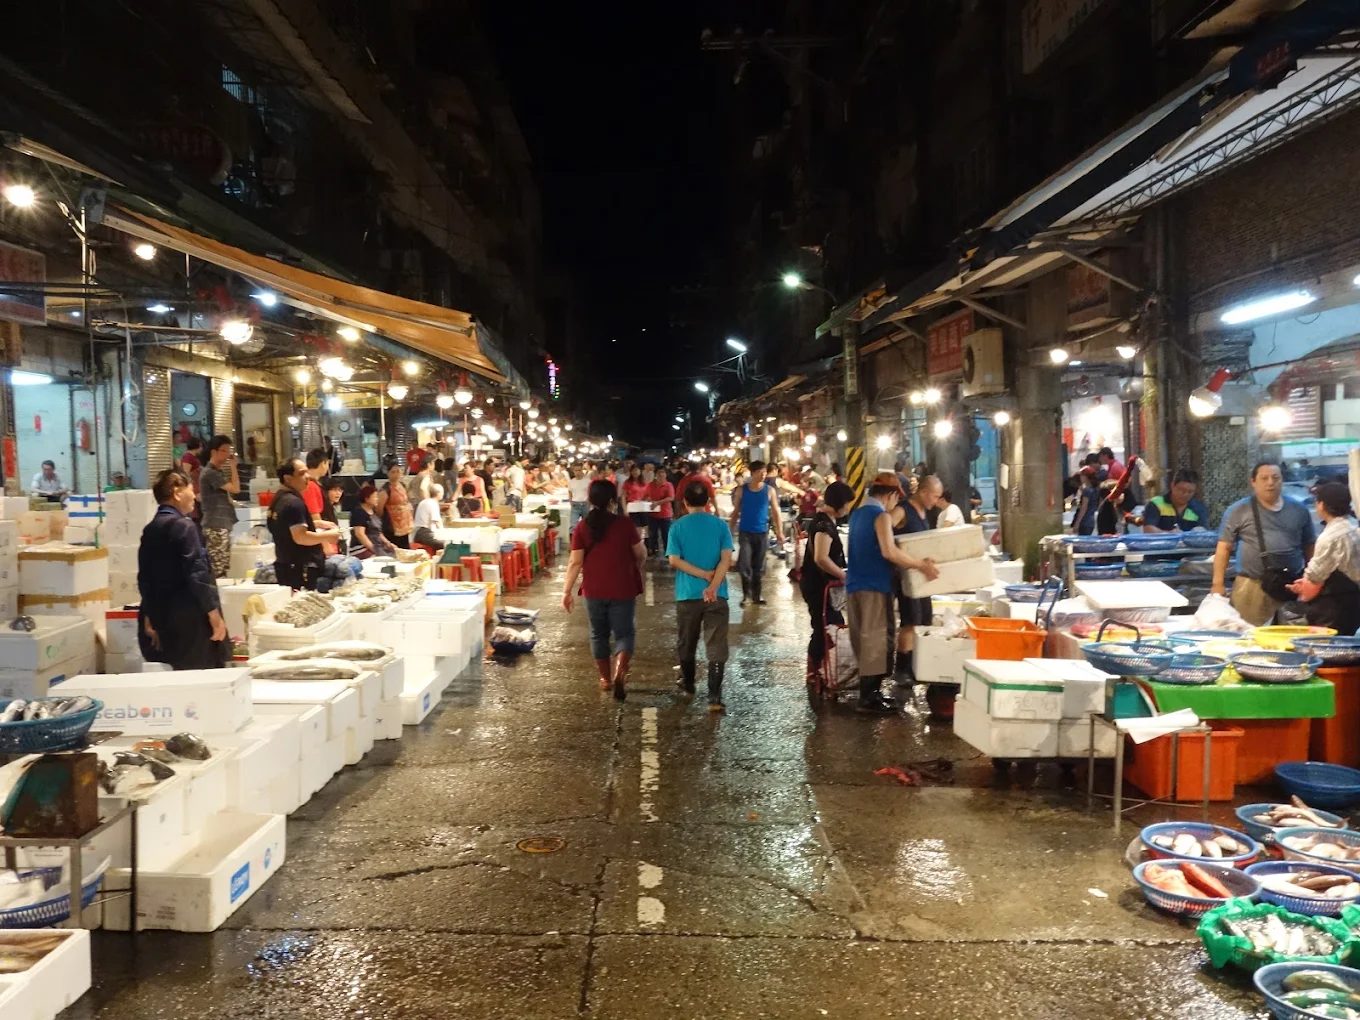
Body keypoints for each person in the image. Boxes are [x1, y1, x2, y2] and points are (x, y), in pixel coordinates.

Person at [845, 472, 940, 714]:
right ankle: (868, 699)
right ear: (890, 495)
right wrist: (921, 565)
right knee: (876, 640)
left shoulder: (856, 514)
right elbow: (889, 552)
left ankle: (872, 694)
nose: (897, 504)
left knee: (866, 638)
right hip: (874, 586)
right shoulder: (881, 516)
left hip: (856, 585)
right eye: (897, 498)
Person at [562, 478, 645, 700]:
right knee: (624, 633)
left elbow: (575, 562)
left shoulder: (582, 527)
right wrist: (636, 564)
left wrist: (566, 591)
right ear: (612, 500)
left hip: (594, 589)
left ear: (589, 499)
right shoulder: (625, 525)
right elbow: (640, 554)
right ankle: (620, 672)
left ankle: (606, 679)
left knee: (598, 634)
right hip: (623, 587)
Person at [137, 468, 229, 669]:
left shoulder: (151, 528)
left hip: (163, 620)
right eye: (191, 490)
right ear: (177, 492)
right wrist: (214, 614)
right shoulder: (184, 526)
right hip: (190, 621)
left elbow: (144, 578)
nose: (195, 497)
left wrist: (149, 615)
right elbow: (197, 573)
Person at [1212, 462, 1316, 626]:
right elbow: (1224, 547)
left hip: (1292, 585)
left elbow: (1309, 545)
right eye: (1264, 478)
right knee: (1248, 635)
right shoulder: (1238, 510)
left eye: (1275, 478)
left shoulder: (1299, 509)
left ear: (1282, 480)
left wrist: (1312, 580)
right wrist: (1217, 584)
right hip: (1251, 587)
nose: (1270, 482)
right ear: (1253, 482)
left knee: (1292, 635)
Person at [668, 480, 735, 712]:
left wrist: (702, 575)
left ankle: (688, 685)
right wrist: (713, 585)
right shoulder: (720, 526)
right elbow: (727, 559)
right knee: (716, 644)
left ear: (684, 502)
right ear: (708, 502)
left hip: (687, 595)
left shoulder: (677, 527)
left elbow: (674, 560)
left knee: (687, 642)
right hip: (717, 595)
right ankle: (714, 698)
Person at [889, 473, 942, 690]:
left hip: (922, 576)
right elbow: (884, 529)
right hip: (905, 576)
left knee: (924, 619)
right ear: (922, 492)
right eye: (934, 496)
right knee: (910, 621)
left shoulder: (924, 513)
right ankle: (901, 669)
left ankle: (916, 665)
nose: (936, 501)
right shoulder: (903, 509)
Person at [1287, 482, 1360, 635]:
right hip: (1355, 603)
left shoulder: (1330, 537)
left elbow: (1314, 581)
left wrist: (1302, 588)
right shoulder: (1354, 525)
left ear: (1322, 505)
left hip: (1335, 610)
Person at [801, 481, 854, 687]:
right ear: (840, 503)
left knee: (826, 626)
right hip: (817, 586)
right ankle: (814, 672)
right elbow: (821, 558)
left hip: (819, 584)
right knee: (825, 627)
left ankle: (818, 670)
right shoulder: (823, 524)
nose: (848, 508)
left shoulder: (825, 520)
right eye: (847, 504)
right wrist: (843, 575)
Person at [268, 458, 330, 590]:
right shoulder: (293, 503)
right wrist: (328, 536)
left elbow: (287, 526)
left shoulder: (278, 498)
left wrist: (315, 523)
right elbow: (300, 537)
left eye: (307, 472)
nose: (307, 477)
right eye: (302, 473)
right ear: (288, 478)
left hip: (285, 565)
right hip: (300, 569)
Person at [731, 461, 782, 606]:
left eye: (765, 472)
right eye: (760, 472)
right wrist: (728, 531)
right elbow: (735, 512)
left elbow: (776, 512)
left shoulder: (769, 490)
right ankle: (746, 595)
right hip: (745, 533)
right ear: (752, 473)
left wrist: (779, 533)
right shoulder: (742, 490)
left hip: (762, 533)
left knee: (759, 567)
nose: (763, 475)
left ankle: (757, 596)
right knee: (745, 564)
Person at [198, 435, 240, 579]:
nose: (228, 454)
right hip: (215, 526)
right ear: (213, 452)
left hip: (221, 525)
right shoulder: (210, 472)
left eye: (229, 450)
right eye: (225, 451)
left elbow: (228, 494)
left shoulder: (216, 472)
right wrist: (234, 467)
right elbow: (235, 488)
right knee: (217, 568)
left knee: (222, 566)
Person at [1143, 469, 1210, 532]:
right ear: (1172, 486)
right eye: (1182, 490)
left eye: (1190, 492)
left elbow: (1203, 532)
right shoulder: (1156, 503)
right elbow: (1148, 529)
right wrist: (1169, 534)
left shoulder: (1199, 508)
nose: (1185, 494)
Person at [349, 484, 395, 558]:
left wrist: (388, 543)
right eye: (375, 497)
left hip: (376, 545)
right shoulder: (358, 513)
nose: (377, 499)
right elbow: (360, 534)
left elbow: (378, 532)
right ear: (367, 499)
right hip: (361, 548)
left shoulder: (373, 511)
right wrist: (374, 550)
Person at [375, 460, 414, 549]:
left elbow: (407, 501)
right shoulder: (385, 489)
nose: (396, 474)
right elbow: (379, 509)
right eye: (393, 472)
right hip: (392, 526)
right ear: (388, 474)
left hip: (404, 525)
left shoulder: (403, 485)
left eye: (398, 471)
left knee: (405, 548)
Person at [645, 466, 675, 560]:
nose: (661, 474)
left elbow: (671, 497)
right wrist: (648, 499)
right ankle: (652, 550)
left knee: (666, 534)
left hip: (665, 514)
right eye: (659, 472)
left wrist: (658, 502)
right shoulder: (650, 485)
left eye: (663, 472)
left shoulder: (668, 485)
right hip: (652, 514)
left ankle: (668, 552)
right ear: (655, 474)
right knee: (652, 534)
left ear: (666, 474)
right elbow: (646, 496)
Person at [411, 483, 447, 551]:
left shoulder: (424, 501)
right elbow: (437, 521)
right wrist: (444, 533)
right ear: (439, 493)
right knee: (445, 544)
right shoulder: (433, 503)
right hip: (423, 533)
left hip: (418, 532)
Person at [1071, 466, 1099, 536]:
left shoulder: (1087, 490)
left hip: (1085, 521)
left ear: (1086, 477)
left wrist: (1077, 523)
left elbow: (1084, 507)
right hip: (1092, 520)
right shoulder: (1095, 489)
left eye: (1081, 475)